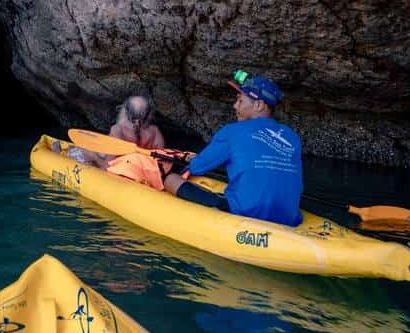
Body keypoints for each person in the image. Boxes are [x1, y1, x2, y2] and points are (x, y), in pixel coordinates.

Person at [163, 71, 303, 227]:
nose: (235, 106)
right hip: (289, 218)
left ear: (259, 105)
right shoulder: (292, 137)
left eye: (240, 101)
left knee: (171, 180)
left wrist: (190, 160)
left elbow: (197, 167)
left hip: (244, 213)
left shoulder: (233, 131)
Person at [70, 95, 166, 168]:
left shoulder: (118, 130)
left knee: (82, 153)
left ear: (125, 111)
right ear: (149, 114)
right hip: (141, 170)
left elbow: (108, 167)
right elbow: (161, 163)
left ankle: (58, 152)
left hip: (122, 171)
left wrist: (94, 157)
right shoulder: (155, 131)